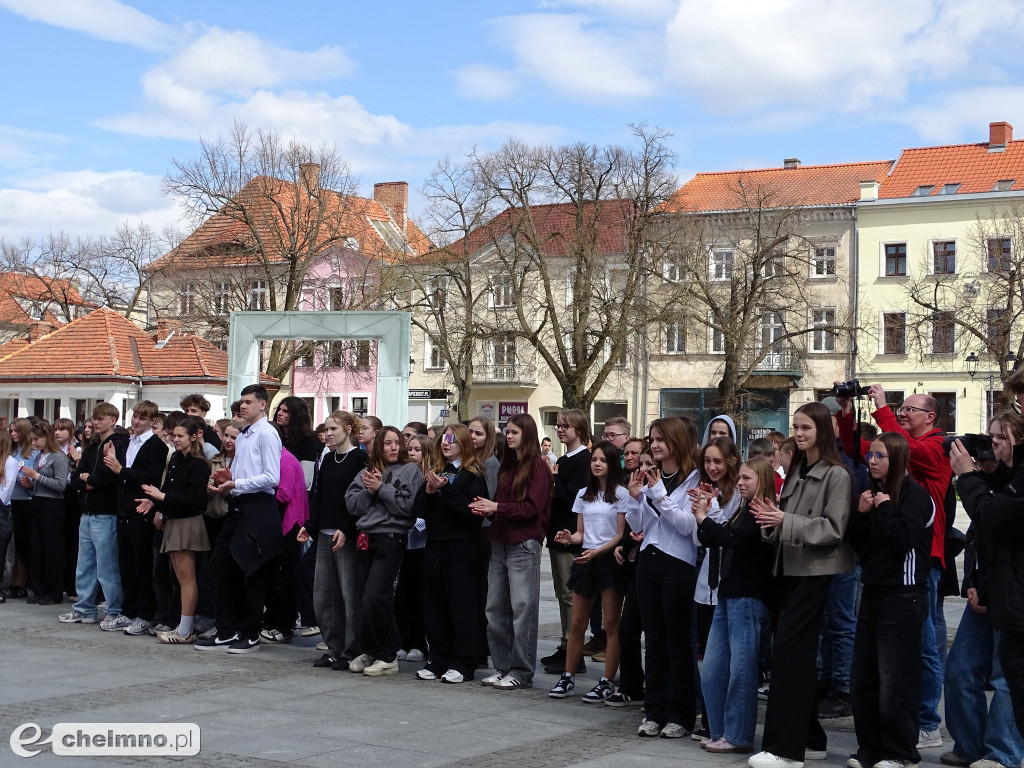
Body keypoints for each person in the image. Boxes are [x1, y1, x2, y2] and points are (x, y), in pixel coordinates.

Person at [837, 387, 952, 750]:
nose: (901, 414)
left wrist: (883, 409)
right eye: (900, 409)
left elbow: (904, 449)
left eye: (909, 409)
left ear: (930, 416)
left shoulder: (937, 446)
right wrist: (846, 414)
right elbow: (864, 450)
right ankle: (895, 728)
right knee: (887, 654)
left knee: (924, 644)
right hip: (885, 563)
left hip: (921, 559)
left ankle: (928, 722)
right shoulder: (896, 450)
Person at [748, 402, 854, 768]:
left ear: (822, 430)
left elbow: (834, 528)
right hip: (787, 569)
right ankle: (810, 738)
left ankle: (784, 750)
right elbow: (784, 520)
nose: (799, 433)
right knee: (796, 657)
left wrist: (784, 520)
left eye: (806, 427)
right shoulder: (797, 468)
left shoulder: (836, 474)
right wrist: (769, 524)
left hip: (814, 572)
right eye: (796, 426)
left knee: (790, 657)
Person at [942, 411, 1024, 768]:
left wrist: (969, 477)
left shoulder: (1012, 483)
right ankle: (969, 746)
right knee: (959, 669)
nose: (992, 445)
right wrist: (974, 584)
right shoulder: (1000, 479)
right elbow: (978, 539)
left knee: (1006, 678)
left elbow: (997, 522)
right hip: (986, 588)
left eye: (1001, 438)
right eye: (988, 437)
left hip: (1010, 594)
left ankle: (1003, 754)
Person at [847, 432, 933, 768]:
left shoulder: (915, 496)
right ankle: (869, 748)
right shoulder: (870, 493)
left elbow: (903, 540)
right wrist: (861, 512)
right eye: (871, 454)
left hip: (904, 594)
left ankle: (899, 752)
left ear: (896, 459)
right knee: (864, 675)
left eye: (880, 455)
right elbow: (858, 544)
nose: (872, 461)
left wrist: (883, 508)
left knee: (895, 678)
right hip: (873, 589)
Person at [625, 416, 702, 738]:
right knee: (653, 640)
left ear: (676, 442)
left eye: (660, 440)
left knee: (677, 641)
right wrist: (635, 498)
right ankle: (654, 710)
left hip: (678, 563)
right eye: (652, 439)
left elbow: (687, 525)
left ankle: (681, 714)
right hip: (648, 560)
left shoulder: (695, 478)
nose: (653, 445)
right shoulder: (652, 476)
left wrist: (657, 494)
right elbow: (639, 525)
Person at [694, 456, 776, 753]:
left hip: (748, 595)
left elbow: (734, 539)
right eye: (739, 478)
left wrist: (705, 519)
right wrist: (704, 514)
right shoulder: (743, 508)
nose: (740, 482)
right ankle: (719, 730)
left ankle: (739, 734)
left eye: (747, 478)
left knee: (741, 667)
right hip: (728, 592)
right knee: (713, 667)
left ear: (762, 481)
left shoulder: (761, 509)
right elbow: (713, 538)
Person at [198, 385, 283, 654]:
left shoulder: (267, 434)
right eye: (241, 402)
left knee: (252, 569)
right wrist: (228, 479)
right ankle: (227, 629)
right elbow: (243, 470)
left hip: (258, 506)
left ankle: (250, 633)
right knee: (221, 565)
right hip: (238, 504)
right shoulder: (244, 434)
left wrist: (237, 483)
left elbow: (272, 478)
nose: (243, 406)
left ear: (263, 404)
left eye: (248, 402)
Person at [469, 413, 551, 690]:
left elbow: (531, 509)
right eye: (508, 431)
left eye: (514, 431)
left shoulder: (538, 467)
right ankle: (502, 666)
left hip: (523, 543)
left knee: (522, 609)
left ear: (527, 435)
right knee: (494, 609)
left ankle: (521, 671)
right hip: (500, 541)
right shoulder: (507, 465)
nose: (510, 435)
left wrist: (497, 508)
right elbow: (503, 505)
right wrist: (487, 508)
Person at [548, 440, 629, 702]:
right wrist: (569, 538)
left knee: (610, 624)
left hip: (608, 560)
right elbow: (581, 532)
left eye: (603, 460)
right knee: (577, 624)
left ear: (612, 464)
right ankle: (568, 676)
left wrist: (597, 552)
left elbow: (620, 535)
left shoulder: (621, 494)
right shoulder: (584, 493)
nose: (596, 464)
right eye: (594, 459)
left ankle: (606, 680)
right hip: (586, 558)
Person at [344, 426, 421, 677]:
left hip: (391, 537)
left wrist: (381, 489)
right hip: (366, 538)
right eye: (388, 443)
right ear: (379, 446)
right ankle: (374, 650)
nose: (393, 448)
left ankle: (387, 655)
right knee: (366, 598)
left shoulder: (410, 470)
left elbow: (406, 507)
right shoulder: (367, 471)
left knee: (376, 596)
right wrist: (369, 489)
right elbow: (352, 505)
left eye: (397, 443)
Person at [417, 423, 488, 683]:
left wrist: (445, 490)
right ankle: (438, 659)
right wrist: (429, 491)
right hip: (435, 544)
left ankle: (463, 662)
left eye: (452, 440)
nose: (445, 444)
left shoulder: (474, 474)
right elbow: (419, 510)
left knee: (462, 605)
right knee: (435, 605)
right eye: (443, 440)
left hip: (461, 545)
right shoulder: (436, 471)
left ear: (464, 444)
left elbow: (472, 511)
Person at [298, 411, 367, 671]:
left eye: (333, 429)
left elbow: (359, 501)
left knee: (349, 595)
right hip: (325, 534)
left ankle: (352, 650)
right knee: (324, 596)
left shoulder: (360, 458)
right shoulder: (327, 459)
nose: (327, 434)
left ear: (348, 429)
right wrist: (309, 525)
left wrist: (346, 528)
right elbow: (320, 497)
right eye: (326, 429)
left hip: (346, 535)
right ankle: (332, 647)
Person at [136, 415, 212, 644]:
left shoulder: (198, 463)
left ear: (194, 436)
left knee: (187, 578)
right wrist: (156, 503)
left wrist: (163, 497)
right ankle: (183, 626)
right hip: (175, 520)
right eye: (174, 435)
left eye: (180, 436)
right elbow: (168, 489)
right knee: (179, 577)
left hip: (188, 522)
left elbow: (195, 499)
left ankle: (185, 629)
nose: (175, 440)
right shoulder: (178, 459)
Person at [59, 403, 131, 629]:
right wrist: (86, 480)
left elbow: (105, 479)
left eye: (101, 418)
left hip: (105, 513)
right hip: (87, 512)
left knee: (106, 566)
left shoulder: (117, 444)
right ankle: (85, 608)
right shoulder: (91, 448)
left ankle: (113, 610)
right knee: (85, 564)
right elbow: (75, 478)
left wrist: (87, 480)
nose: (96, 423)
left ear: (113, 420)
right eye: (94, 419)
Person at [104, 401, 168, 636]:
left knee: (142, 565)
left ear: (153, 421)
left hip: (141, 510)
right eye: (135, 417)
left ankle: (144, 614)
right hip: (124, 509)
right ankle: (128, 611)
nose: (136, 421)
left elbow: (149, 477)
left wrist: (121, 470)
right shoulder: (129, 442)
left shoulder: (156, 446)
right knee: (126, 564)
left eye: (142, 418)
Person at [606, 447, 656, 708]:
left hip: (656, 565)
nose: (645, 468)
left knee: (656, 634)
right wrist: (623, 545)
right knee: (628, 629)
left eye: (650, 463)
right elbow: (630, 527)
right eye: (642, 463)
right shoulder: (633, 489)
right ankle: (630, 684)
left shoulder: (661, 491)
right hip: (635, 564)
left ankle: (655, 687)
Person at [544, 409, 592, 674]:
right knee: (561, 593)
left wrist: (554, 479)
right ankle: (565, 645)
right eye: (558, 425)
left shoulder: (583, 460)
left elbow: (574, 498)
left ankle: (574, 650)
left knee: (570, 595)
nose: (560, 429)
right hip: (557, 533)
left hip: (571, 534)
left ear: (580, 429)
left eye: (566, 426)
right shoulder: (563, 458)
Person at [21, 422, 69, 605]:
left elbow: (60, 484)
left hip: (52, 505)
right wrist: (30, 483)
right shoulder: (39, 456)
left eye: (36, 439)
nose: (33, 443)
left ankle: (53, 589)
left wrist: (37, 477)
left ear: (46, 437)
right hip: (37, 502)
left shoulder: (58, 458)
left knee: (51, 547)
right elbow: (39, 482)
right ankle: (39, 588)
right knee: (37, 546)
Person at [395, 433, 431, 662]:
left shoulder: (430, 477)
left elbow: (427, 513)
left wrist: (412, 523)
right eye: (410, 449)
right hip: (404, 542)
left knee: (419, 596)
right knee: (402, 595)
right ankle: (404, 640)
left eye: (417, 450)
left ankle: (419, 643)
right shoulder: (405, 473)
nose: (412, 454)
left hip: (421, 543)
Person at [7, 417, 38, 599]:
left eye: (16, 431)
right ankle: (12, 580)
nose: (13, 434)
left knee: (23, 545)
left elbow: (36, 478)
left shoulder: (32, 454)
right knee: (12, 545)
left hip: (25, 501)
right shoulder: (10, 451)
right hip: (9, 501)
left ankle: (21, 582)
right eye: (11, 431)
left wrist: (29, 482)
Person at [0, 431, 20, 603]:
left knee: (3, 554)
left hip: (3, 511)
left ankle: (2, 589)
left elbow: (7, 490)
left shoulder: (10, 462)